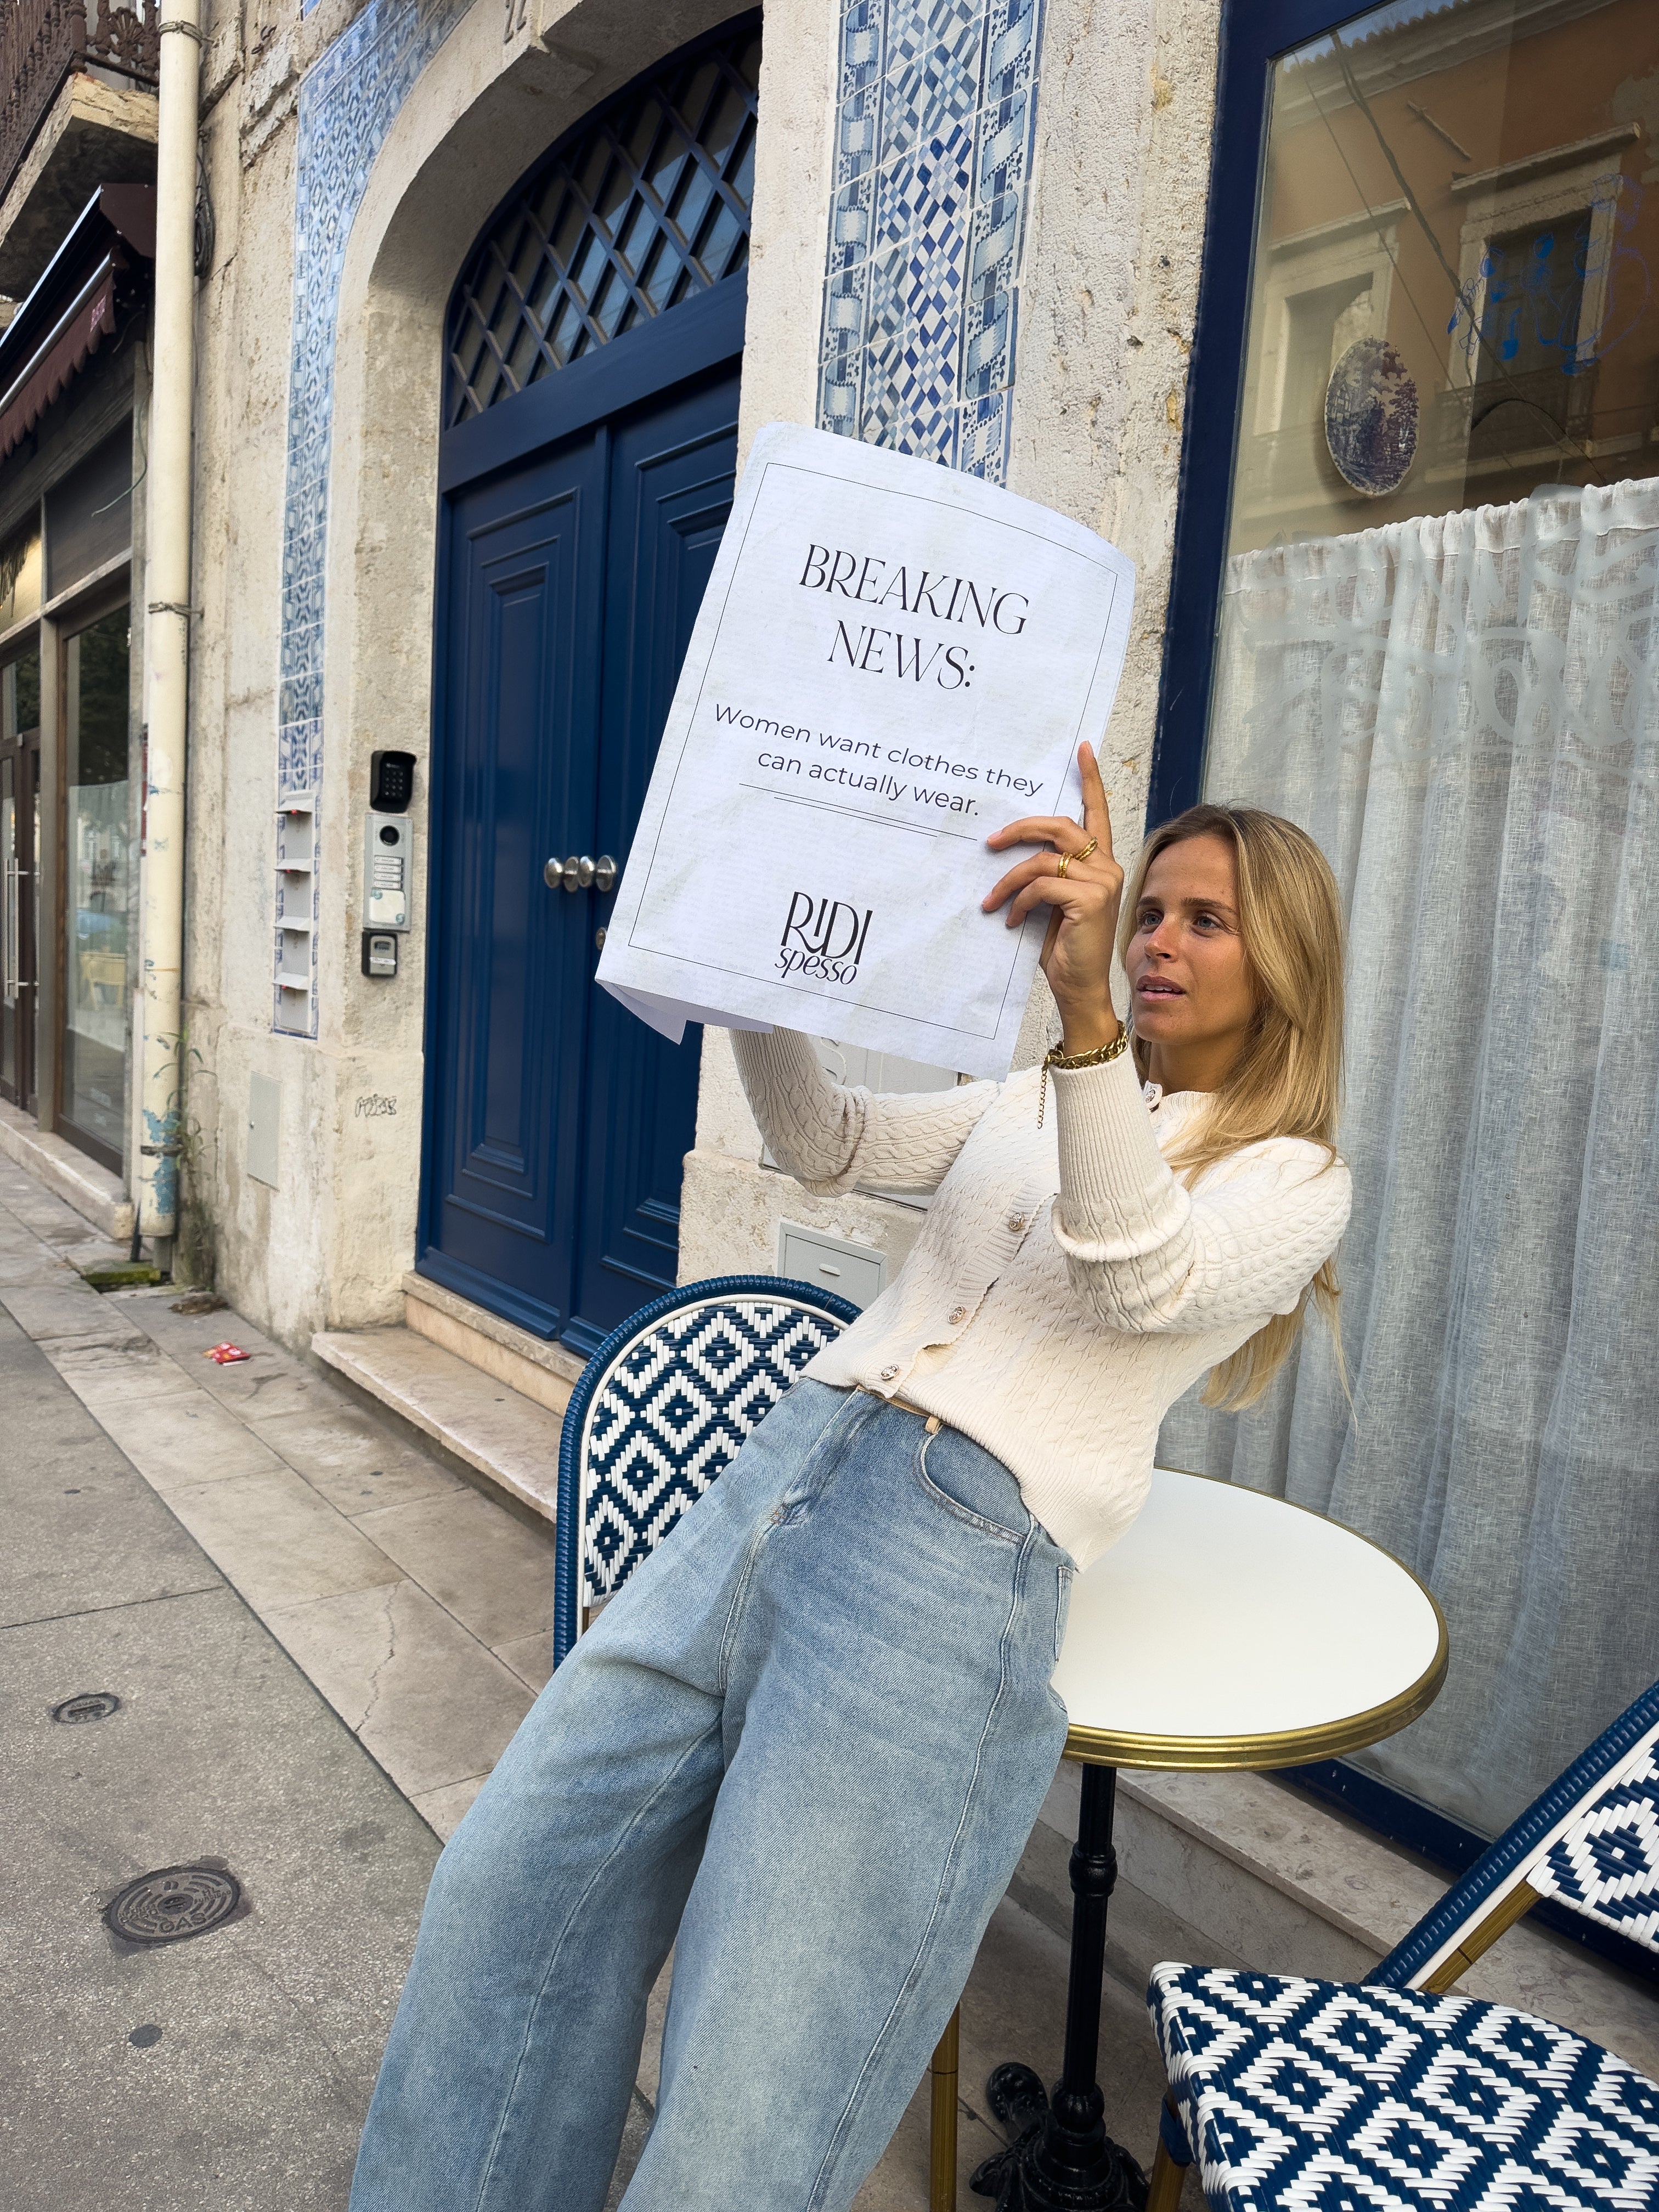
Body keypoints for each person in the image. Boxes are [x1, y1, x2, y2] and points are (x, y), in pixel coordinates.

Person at [348, 742, 1352, 2212]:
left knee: (758, 2073)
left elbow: (1137, 1278)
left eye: (1207, 920)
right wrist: (764, 975)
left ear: (1285, 962)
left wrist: (1080, 1027)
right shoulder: (1035, 1097)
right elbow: (826, 1144)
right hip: (781, 1476)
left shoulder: (1295, 1177)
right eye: (1154, 912)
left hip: (958, 1560)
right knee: (515, 1888)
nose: (1157, 944)